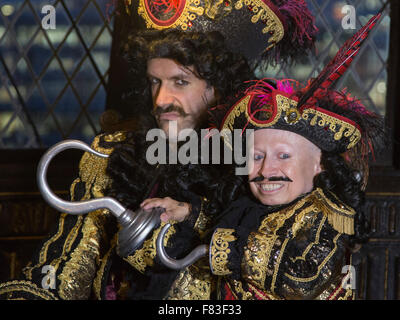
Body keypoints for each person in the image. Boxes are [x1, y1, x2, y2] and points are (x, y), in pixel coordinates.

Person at [0, 0, 317, 300]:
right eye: (154, 82)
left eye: (180, 82)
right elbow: (65, 266)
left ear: (219, 87)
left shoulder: (260, 165)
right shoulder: (109, 155)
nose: (161, 99)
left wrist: (195, 219)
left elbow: (283, 265)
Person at [152, 12, 387, 300]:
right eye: (256, 156)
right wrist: (188, 214)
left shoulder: (327, 215)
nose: (266, 169)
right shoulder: (253, 205)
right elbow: (233, 223)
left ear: (319, 163)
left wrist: (225, 248)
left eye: (284, 155)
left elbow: (304, 274)